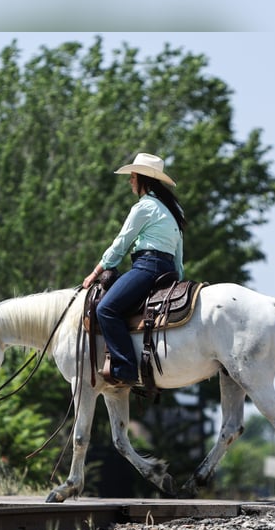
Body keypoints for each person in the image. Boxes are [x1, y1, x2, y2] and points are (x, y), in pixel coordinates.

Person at [82, 152, 187, 386]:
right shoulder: (173, 209)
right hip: (167, 270)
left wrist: (96, 272)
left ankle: (125, 367)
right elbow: (179, 254)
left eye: (132, 176)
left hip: (147, 267)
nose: (130, 181)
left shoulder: (144, 207)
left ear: (142, 178)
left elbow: (121, 244)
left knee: (106, 309)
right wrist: (179, 278)